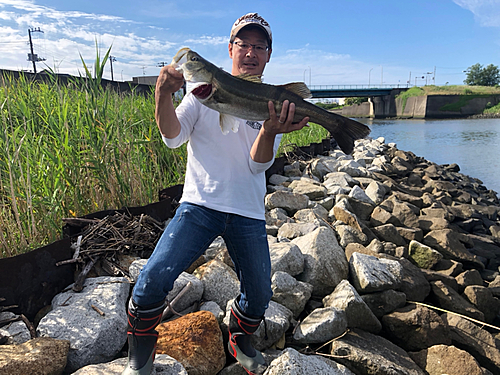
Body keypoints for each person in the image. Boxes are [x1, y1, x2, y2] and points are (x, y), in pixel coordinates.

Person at [122, 12, 309, 375]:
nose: (250, 52)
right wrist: (162, 93)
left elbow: (259, 164)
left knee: (259, 296)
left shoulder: (273, 102)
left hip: (248, 211)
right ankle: (140, 351)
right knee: (151, 280)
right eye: (244, 44)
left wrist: (270, 130)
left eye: (259, 46)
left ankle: (239, 336)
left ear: (268, 55)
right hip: (200, 204)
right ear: (230, 49)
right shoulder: (199, 94)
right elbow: (173, 137)